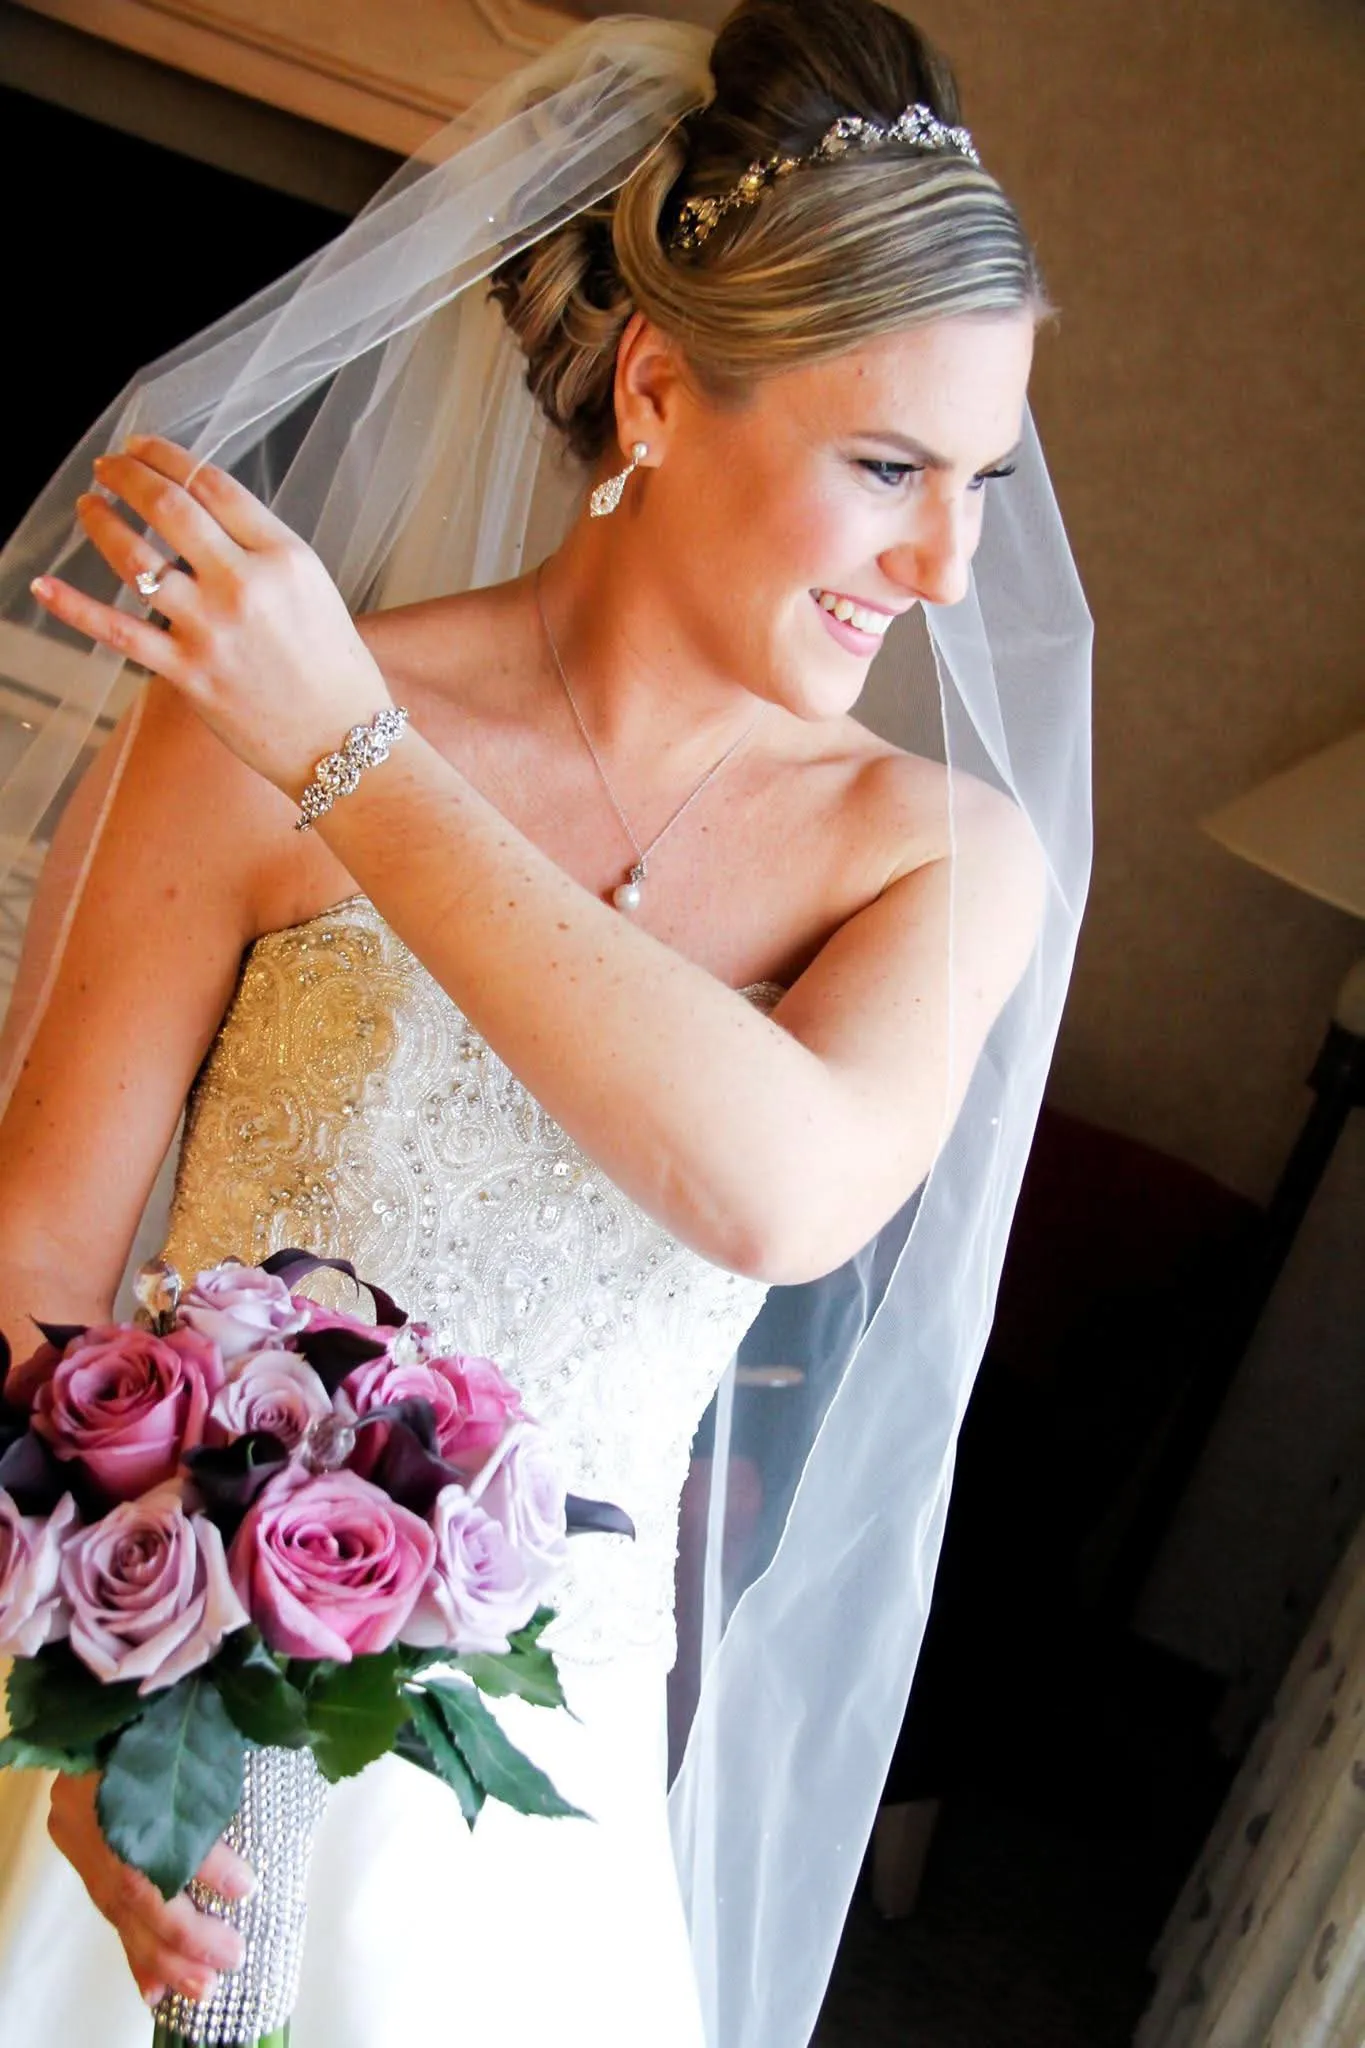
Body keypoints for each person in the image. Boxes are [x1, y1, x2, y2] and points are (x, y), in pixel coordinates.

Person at [0, 3, 1092, 2043]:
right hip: (149, 1753)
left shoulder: (937, 860)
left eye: (979, 480)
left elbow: (775, 1191)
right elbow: (36, 1263)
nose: (949, 563)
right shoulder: (244, 719)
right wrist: (79, 1734)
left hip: (522, 1874)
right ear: (661, 389)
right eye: (886, 468)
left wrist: (356, 757)